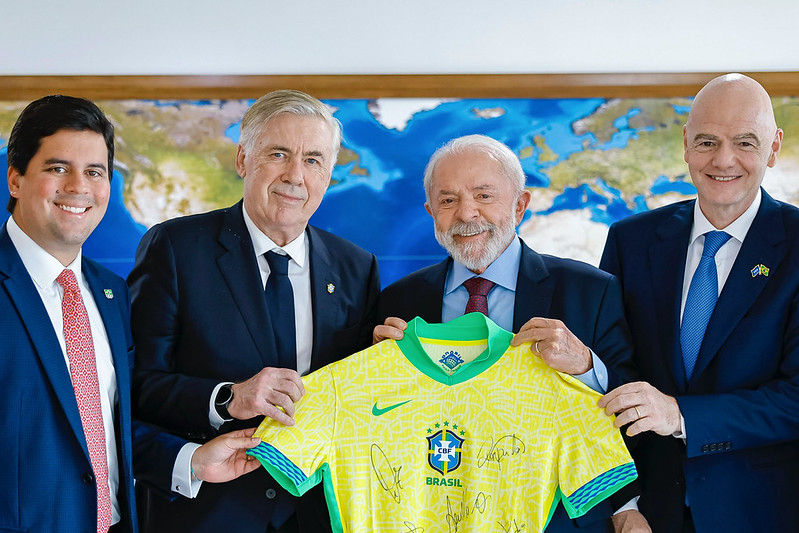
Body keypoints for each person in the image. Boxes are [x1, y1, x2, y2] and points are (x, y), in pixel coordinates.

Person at [0, 95, 261, 533]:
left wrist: (192, 461)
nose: (79, 187)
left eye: (95, 172)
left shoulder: (110, 293)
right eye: (57, 168)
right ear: (15, 180)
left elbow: (100, 429)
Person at [127, 89, 380, 532]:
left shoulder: (357, 267)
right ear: (243, 159)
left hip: (320, 515)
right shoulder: (175, 248)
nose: (295, 176)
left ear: (330, 174)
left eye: (314, 160)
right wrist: (228, 398)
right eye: (278, 154)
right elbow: (135, 385)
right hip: (208, 512)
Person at [374, 134, 647, 532]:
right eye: (448, 201)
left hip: (555, 518)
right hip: (433, 515)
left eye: (484, 196)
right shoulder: (399, 300)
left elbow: (636, 412)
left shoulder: (592, 290)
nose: (467, 214)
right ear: (432, 211)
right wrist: (381, 373)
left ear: (520, 205)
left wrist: (587, 367)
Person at [598, 73, 799, 532]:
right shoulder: (631, 241)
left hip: (761, 514)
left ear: (773, 147)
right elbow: (611, 377)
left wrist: (680, 414)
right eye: (707, 141)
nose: (723, 160)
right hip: (647, 514)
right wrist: (623, 505)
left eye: (745, 142)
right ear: (687, 143)